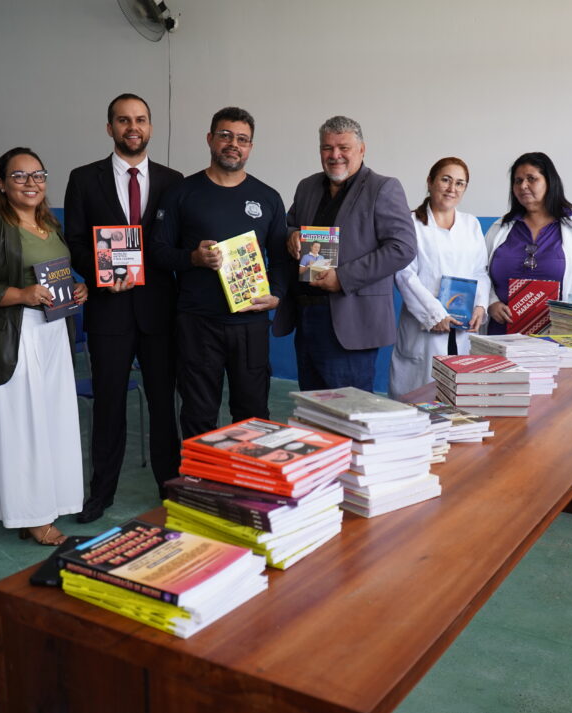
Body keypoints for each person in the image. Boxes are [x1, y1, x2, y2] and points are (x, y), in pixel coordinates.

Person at [0, 147, 88, 546]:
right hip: (13, 335)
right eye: (19, 176)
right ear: (1, 183)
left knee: (52, 422)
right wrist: (21, 294)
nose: (31, 183)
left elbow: (57, 273)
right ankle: (30, 515)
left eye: (38, 175)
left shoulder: (51, 224)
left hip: (53, 332)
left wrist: (76, 288)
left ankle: (52, 500)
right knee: (22, 429)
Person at [64, 93, 184, 522]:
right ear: (109, 127)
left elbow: (176, 246)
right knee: (108, 404)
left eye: (141, 119)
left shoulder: (174, 180)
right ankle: (101, 493)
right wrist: (100, 273)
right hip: (108, 311)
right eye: (123, 120)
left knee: (162, 406)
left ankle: (170, 487)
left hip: (159, 312)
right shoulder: (83, 179)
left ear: (150, 126)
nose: (133, 127)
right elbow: (74, 241)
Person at [149, 106, 291, 439]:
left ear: (250, 147)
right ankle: (203, 489)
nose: (233, 144)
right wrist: (193, 258)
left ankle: (252, 488)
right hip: (198, 324)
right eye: (225, 135)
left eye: (242, 139)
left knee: (253, 415)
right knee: (199, 414)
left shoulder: (268, 198)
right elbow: (157, 251)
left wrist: (278, 296)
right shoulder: (182, 193)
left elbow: (282, 260)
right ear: (210, 139)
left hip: (250, 322)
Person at [273, 116, 415, 391]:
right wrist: (291, 235)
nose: (335, 155)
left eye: (343, 147)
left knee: (349, 414)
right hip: (306, 315)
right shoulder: (307, 186)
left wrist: (343, 278)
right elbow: (290, 223)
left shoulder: (383, 187)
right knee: (312, 409)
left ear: (361, 149)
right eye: (327, 148)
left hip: (351, 319)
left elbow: (403, 248)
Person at [388, 157, 489, 399]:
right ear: (430, 182)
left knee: (459, 404)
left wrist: (480, 305)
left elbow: (480, 272)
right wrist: (435, 313)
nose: (452, 188)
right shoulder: (410, 223)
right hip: (425, 329)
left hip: (463, 330)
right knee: (418, 403)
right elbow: (404, 274)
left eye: (460, 183)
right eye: (446, 180)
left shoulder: (471, 224)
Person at [485, 152, 572, 334]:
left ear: (549, 182)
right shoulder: (499, 228)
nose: (523, 186)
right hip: (502, 334)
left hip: (563, 335)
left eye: (531, 179)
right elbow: (481, 274)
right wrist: (491, 303)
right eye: (518, 180)